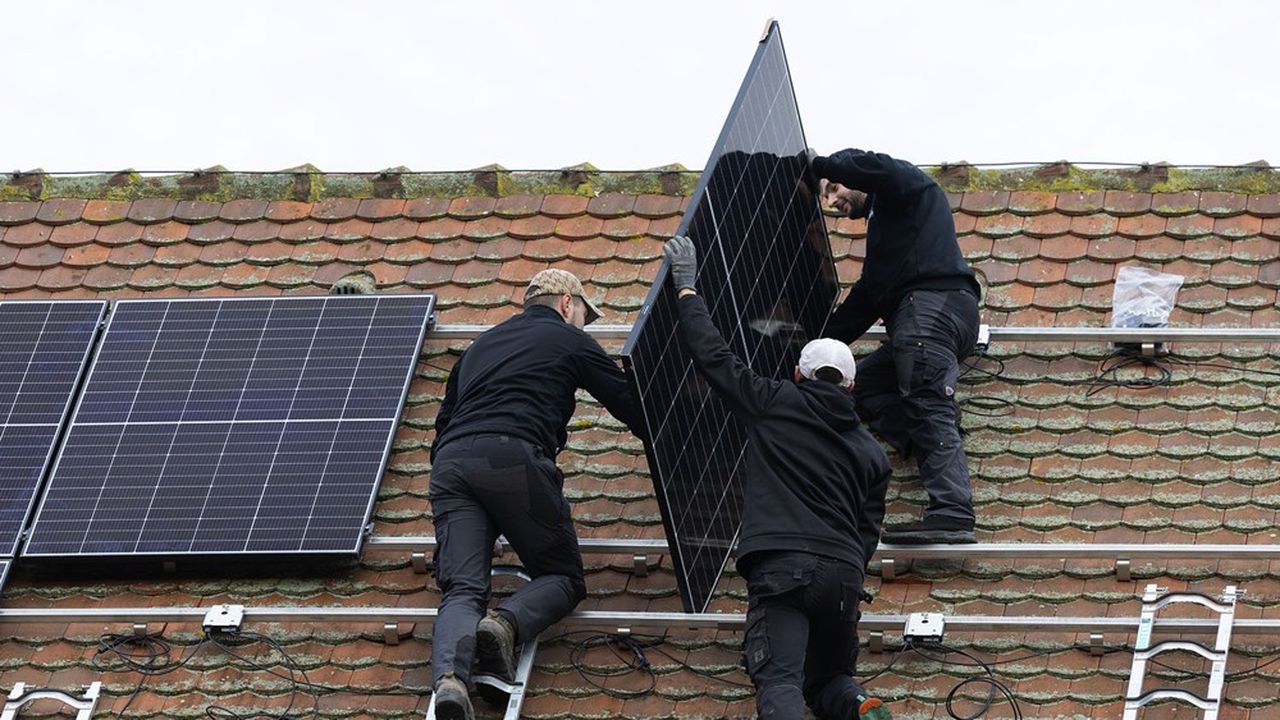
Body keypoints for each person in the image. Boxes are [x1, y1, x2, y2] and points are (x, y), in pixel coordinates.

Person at [664, 235, 894, 720]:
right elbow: (868, 530)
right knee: (832, 679)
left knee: (780, 677)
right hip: (842, 579)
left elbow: (714, 358)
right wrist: (846, 566)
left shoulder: (774, 403)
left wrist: (687, 289)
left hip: (784, 569)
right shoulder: (871, 452)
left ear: (798, 374)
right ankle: (864, 710)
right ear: (850, 384)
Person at [428, 269, 646, 720]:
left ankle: (450, 681)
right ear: (567, 303)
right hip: (511, 456)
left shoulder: (478, 347)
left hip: (451, 464)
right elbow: (631, 404)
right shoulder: (570, 340)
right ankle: (504, 624)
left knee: (463, 587)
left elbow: (443, 424)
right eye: (584, 314)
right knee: (563, 576)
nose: (584, 324)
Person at [808, 148, 982, 545]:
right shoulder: (890, 238)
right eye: (826, 197)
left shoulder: (906, 189)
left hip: (931, 308)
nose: (833, 202)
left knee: (924, 396)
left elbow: (878, 167)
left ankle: (953, 511)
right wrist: (814, 347)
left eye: (834, 189)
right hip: (922, 319)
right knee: (862, 387)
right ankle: (930, 437)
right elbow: (867, 299)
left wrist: (820, 165)